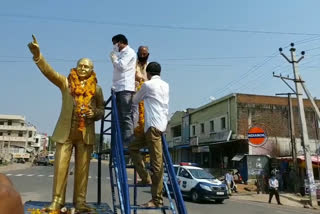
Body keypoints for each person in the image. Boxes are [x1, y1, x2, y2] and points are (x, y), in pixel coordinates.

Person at [28, 35, 105, 212]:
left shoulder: (97, 89)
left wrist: (94, 113)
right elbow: (50, 72)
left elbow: (101, 109)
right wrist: (38, 57)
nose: (83, 68)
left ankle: (80, 202)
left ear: (92, 69)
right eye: (80, 65)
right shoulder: (66, 83)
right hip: (65, 133)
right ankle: (57, 200)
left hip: (85, 134)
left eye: (86, 66)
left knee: (82, 172)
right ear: (76, 67)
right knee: (60, 169)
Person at [129, 62, 169, 208]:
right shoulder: (165, 85)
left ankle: (157, 200)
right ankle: (145, 178)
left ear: (148, 73)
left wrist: (139, 81)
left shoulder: (147, 86)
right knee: (133, 147)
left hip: (153, 128)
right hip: (155, 127)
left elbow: (134, 100)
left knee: (157, 165)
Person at [110, 34, 136, 147]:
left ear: (120, 42)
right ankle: (121, 141)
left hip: (125, 87)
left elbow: (122, 66)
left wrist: (114, 59)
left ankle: (128, 142)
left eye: (115, 44)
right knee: (120, 117)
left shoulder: (129, 52)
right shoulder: (121, 54)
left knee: (126, 116)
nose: (114, 46)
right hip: (119, 87)